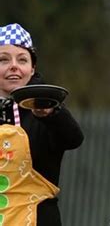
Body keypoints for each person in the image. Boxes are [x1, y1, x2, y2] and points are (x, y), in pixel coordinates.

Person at [0, 23, 84, 226]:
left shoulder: (44, 105)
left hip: (39, 219)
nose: (14, 65)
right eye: (3, 59)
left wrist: (50, 112)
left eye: (22, 60)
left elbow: (73, 138)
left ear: (32, 68)